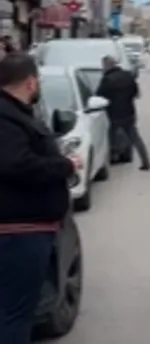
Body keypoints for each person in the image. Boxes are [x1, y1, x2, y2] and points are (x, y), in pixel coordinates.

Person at [0, 53, 80, 344]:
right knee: (14, 314)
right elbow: (16, 164)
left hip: (24, 231)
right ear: (31, 82)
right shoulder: (7, 117)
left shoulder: (15, 114)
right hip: (17, 233)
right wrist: (66, 165)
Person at [96, 55, 150, 170]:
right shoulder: (128, 76)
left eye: (103, 65)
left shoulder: (106, 80)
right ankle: (146, 162)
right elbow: (136, 93)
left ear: (107, 65)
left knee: (109, 138)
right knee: (135, 138)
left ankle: (111, 159)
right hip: (128, 113)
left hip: (113, 114)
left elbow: (99, 96)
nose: (103, 68)